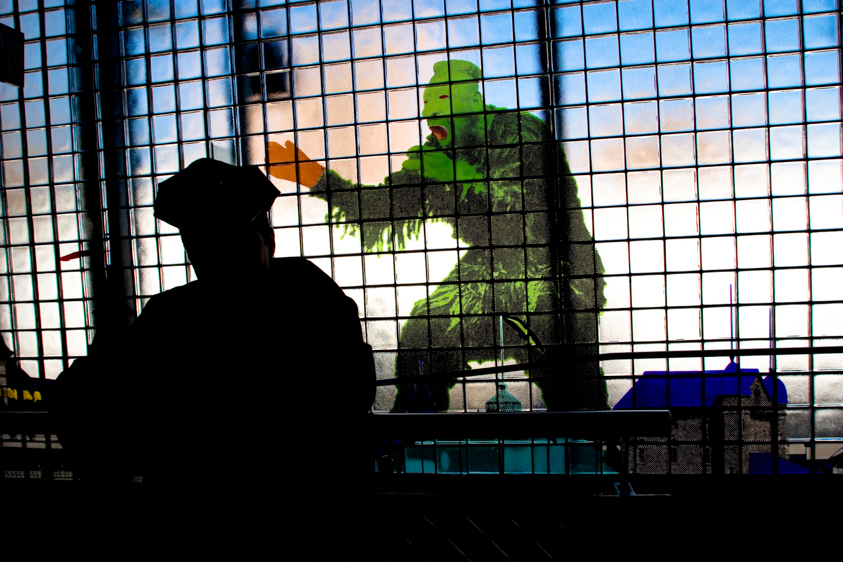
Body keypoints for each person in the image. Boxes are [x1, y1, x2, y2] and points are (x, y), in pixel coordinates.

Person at [268, 60, 607, 413]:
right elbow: (383, 209)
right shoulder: (435, 154)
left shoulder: (521, 133)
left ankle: (598, 434)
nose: (430, 112)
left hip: (558, 268)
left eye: (443, 99)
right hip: (491, 267)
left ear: (473, 103)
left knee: (569, 369)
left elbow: (525, 213)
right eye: (427, 103)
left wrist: (454, 174)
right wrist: (314, 176)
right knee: (424, 337)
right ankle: (413, 431)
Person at [51, 158, 375, 499]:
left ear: (266, 237)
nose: (213, 252)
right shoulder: (305, 292)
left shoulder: (303, 294)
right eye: (200, 239)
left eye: (226, 235)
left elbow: (348, 394)